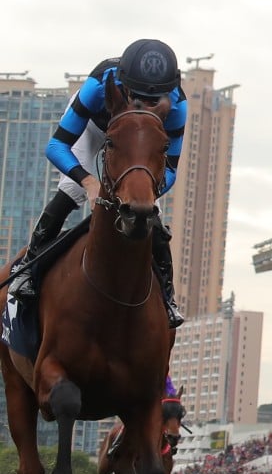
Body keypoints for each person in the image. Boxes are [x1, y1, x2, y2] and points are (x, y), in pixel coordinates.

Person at [8, 39, 188, 328]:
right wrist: (90, 182)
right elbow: (56, 146)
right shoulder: (98, 84)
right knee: (70, 191)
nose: (146, 106)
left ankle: (167, 297)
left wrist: (139, 190)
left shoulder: (177, 105)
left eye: (155, 102)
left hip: (139, 146)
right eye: (137, 97)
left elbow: (170, 171)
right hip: (94, 128)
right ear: (123, 86)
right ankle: (27, 273)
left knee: (151, 212)